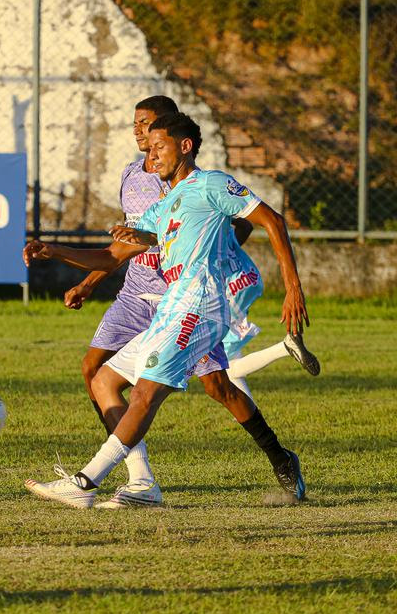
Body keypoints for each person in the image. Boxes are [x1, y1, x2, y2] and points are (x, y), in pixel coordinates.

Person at [22, 112, 311, 509]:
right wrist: (54, 250)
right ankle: (145, 487)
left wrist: (293, 288)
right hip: (172, 305)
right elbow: (110, 256)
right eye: (150, 148)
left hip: (202, 302)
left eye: (159, 147)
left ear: (185, 146)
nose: (151, 155)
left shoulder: (211, 184)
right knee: (105, 380)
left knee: (147, 393)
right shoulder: (163, 206)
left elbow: (272, 220)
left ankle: (86, 484)